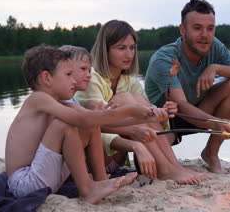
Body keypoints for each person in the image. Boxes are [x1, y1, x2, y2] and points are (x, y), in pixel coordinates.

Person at [5, 44, 162, 204]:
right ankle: (87, 190)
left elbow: (94, 119)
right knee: (65, 124)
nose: (73, 80)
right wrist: (129, 110)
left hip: (45, 176)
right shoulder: (38, 99)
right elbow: (82, 119)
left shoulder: (59, 103)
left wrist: (146, 118)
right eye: (68, 74)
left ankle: (99, 180)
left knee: (91, 123)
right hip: (25, 182)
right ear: (47, 78)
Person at [74, 20, 209, 184]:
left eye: (132, 48)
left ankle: (173, 166)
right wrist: (134, 133)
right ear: (105, 50)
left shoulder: (130, 81)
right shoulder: (91, 78)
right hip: (94, 162)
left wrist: (163, 113)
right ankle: (166, 169)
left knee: (137, 101)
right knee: (127, 99)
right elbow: (94, 124)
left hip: (115, 159)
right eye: (121, 48)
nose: (129, 54)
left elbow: (149, 118)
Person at [145, 0, 230, 173]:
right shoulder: (165, 58)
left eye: (210, 29)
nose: (205, 35)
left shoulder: (213, 45)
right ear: (183, 30)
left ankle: (211, 152)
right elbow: (180, 106)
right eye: (197, 28)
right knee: (152, 162)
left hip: (201, 110)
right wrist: (217, 123)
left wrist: (216, 67)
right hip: (167, 120)